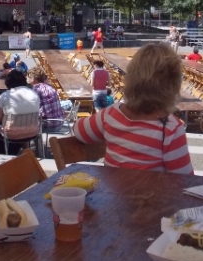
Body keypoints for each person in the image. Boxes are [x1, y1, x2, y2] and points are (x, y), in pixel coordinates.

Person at [73, 43, 193, 175]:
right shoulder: (170, 129)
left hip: (111, 187)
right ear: (173, 84)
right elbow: (185, 180)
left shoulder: (111, 114)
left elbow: (78, 131)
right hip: (150, 189)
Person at [0, 70, 40, 155]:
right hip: (33, 132)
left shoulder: (5, 96)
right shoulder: (34, 94)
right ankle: (12, 153)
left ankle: (1, 154)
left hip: (11, 134)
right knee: (20, 128)